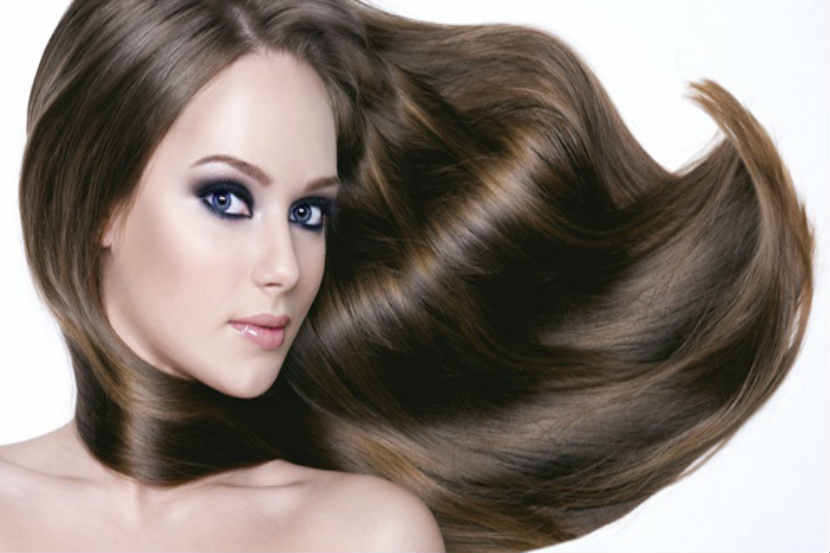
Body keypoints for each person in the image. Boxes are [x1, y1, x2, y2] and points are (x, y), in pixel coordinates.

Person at [0, 1, 819, 552]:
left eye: (309, 212)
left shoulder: (363, 534)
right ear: (100, 201)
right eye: (228, 198)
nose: (284, 266)